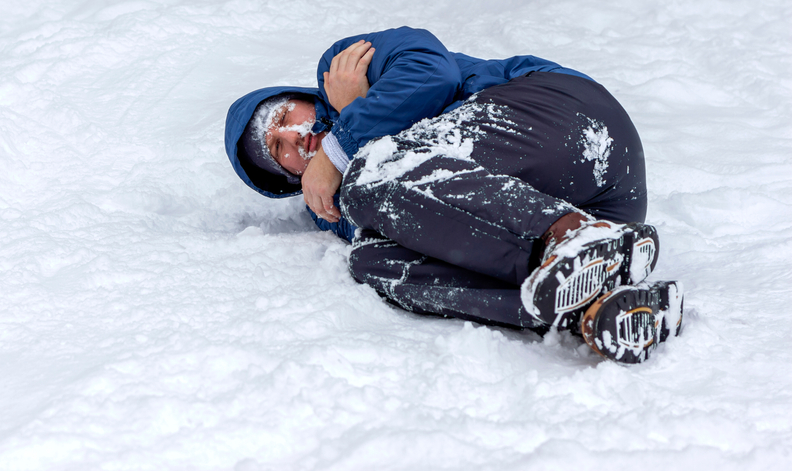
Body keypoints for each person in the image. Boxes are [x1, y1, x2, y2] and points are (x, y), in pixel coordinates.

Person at [225, 27, 683, 364]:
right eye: (278, 149)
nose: (294, 135)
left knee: (371, 177)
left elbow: (431, 71)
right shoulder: (337, 203)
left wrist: (343, 139)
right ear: (288, 178)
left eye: (285, 115)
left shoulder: (345, 64)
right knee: (374, 260)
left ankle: (567, 237)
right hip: (605, 211)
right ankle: (589, 305)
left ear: (299, 96)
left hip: (561, 116)